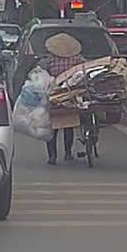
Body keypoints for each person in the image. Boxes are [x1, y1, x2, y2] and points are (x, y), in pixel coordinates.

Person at [40, 32, 86, 164]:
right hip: (71, 95)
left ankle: (52, 156)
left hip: (53, 96)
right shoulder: (77, 60)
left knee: (52, 128)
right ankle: (68, 153)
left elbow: (42, 74)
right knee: (68, 126)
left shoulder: (49, 61)